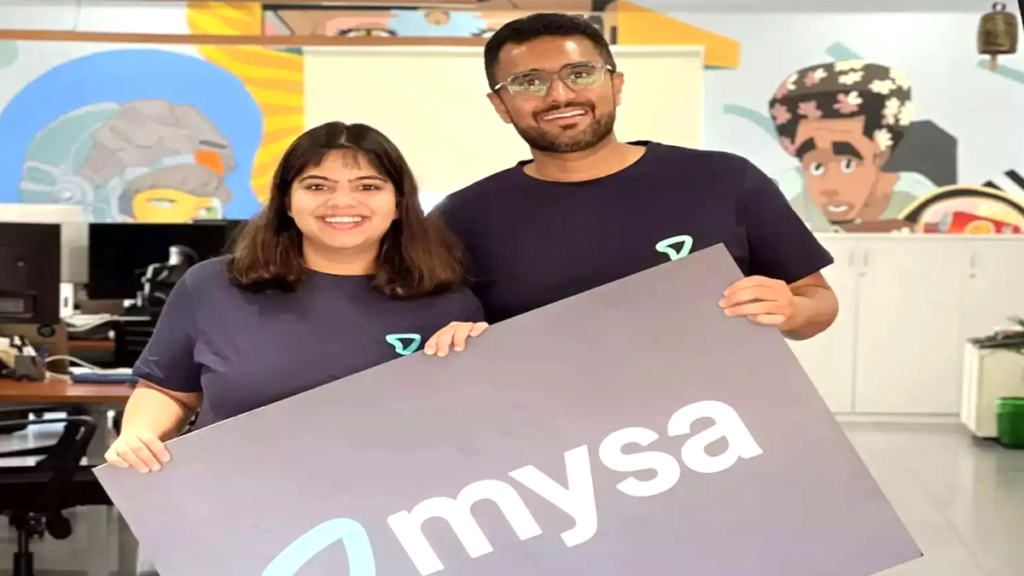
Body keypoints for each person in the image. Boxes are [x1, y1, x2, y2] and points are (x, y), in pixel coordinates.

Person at [106, 122, 487, 473]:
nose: (342, 202)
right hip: (233, 499)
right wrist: (139, 433)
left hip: (389, 504)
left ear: (399, 203)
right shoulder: (211, 286)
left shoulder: (449, 305)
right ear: (287, 201)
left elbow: (466, 427)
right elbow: (167, 390)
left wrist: (479, 361)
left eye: (368, 186)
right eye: (317, 186)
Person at [431, 12, 838, 339]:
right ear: (500, 105)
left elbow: (817, 301)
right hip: (544, 416)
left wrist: (792, 310)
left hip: (715, 412)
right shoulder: (461, 218)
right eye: (529, 82)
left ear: (616, 85)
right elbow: (426, 326)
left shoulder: (725, 179)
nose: (559, 95)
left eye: (580, 73)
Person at [769, 60, 935, 232]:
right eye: (816, 167)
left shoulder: (914, 195)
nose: (831, 187)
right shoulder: (786, 192)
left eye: (848, 164)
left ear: (880, 155)